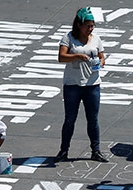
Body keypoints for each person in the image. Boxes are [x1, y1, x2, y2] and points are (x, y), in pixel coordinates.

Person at [56, 7, 107, 163]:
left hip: (92, 84)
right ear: (79, 25)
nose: (90, 29)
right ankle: (64, 150)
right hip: (73, 84)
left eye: (92, 26)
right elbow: (61, 57)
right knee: (70, 118)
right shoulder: (69, 38)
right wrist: (77, 55)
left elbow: (102, 56)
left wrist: (100, 62)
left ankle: (96, 150)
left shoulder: (96, 39)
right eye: (87, 26)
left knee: (93, 119)